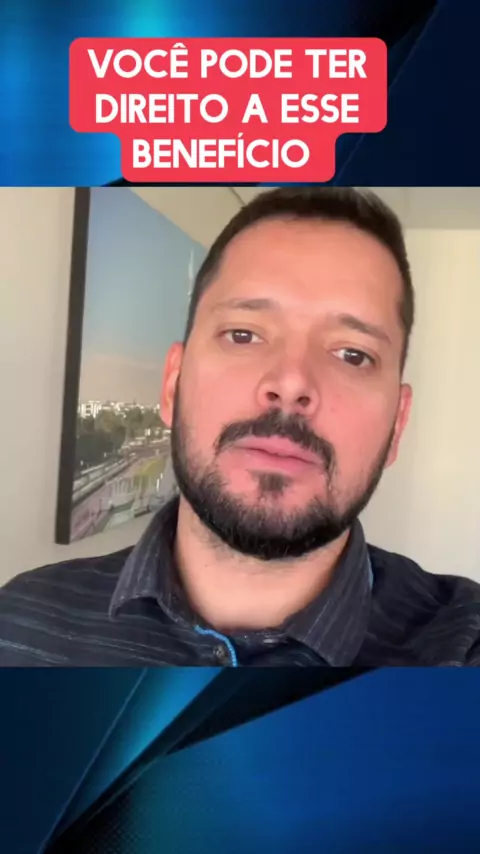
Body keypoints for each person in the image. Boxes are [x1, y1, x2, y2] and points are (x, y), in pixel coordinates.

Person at [1, 186, 480, 667]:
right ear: (172, 386)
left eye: (352, 354)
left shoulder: (460, 645)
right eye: (243, 334)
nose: (291, 383)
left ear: (397, 423)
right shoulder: (18, 626)